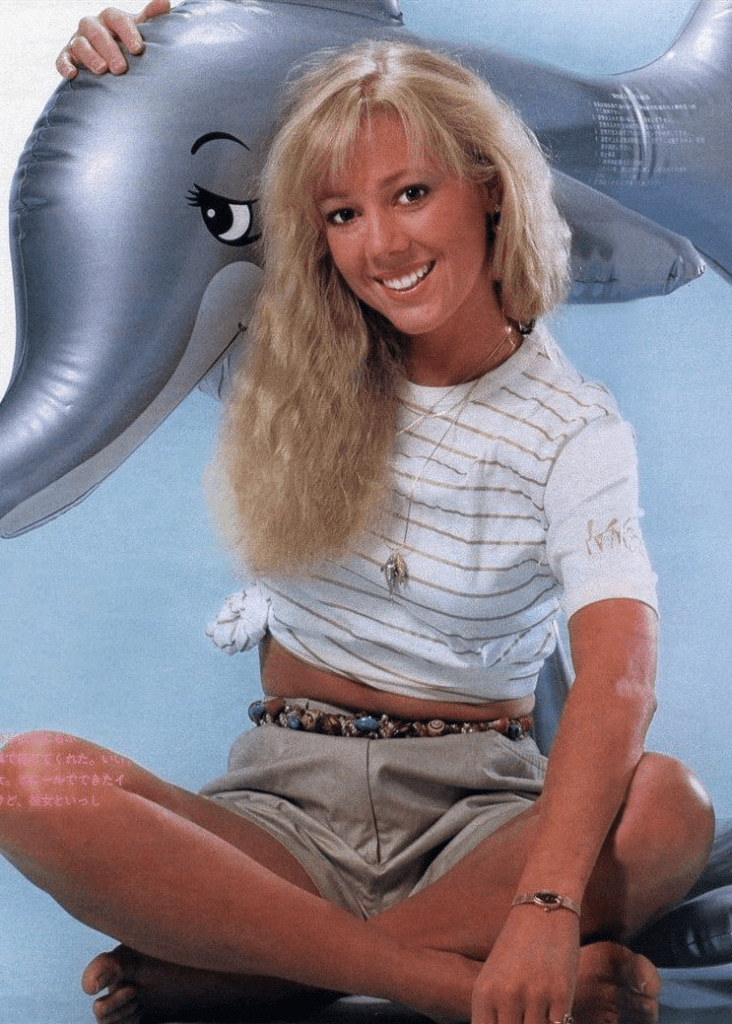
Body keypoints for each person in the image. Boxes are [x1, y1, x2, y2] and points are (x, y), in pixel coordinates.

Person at [1, 8, 715, 1024]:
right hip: (282, 809)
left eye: (411, 193)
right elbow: (140, 245)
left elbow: (620, 676)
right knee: (30, 779)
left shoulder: (573, 430)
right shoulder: (278, 353)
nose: (381, 244)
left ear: (490, 188)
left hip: (478, 821)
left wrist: (546, 905)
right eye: (341, 213)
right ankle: (440, 979)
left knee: (671, 806)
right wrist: (129, 63)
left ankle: (262, 962)